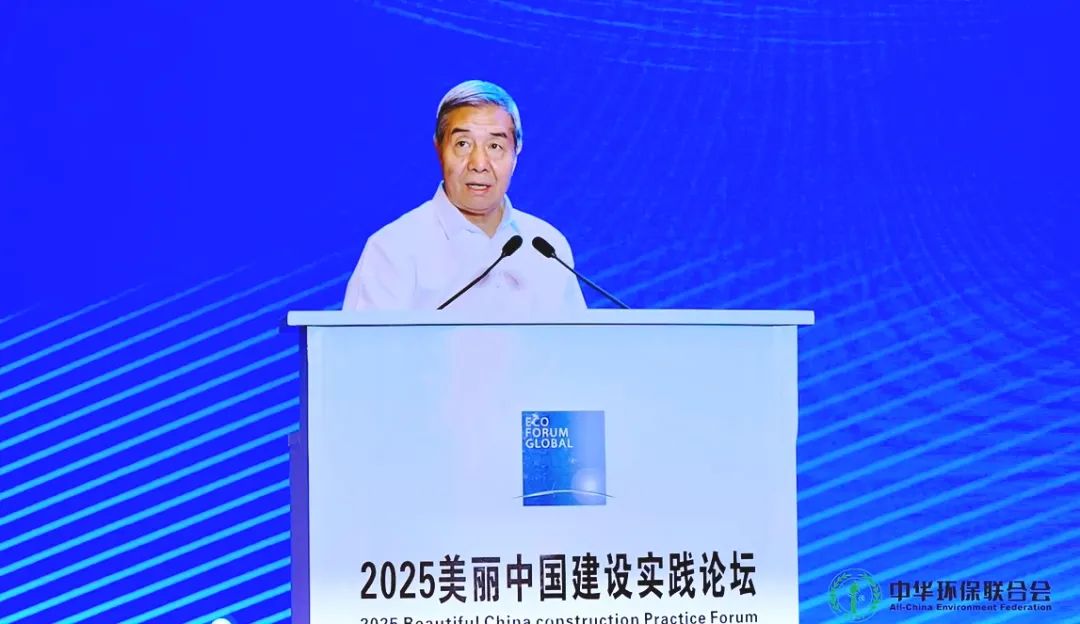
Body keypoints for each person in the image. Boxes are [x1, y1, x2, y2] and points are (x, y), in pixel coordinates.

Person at [343, 80, 587, 312]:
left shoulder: (547, 247)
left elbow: (577, 340)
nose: (479, 164)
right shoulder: (393, 249)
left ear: (517, 151)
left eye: (494, 146)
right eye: (463, 144)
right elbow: (362, 343)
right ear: (439, 148)